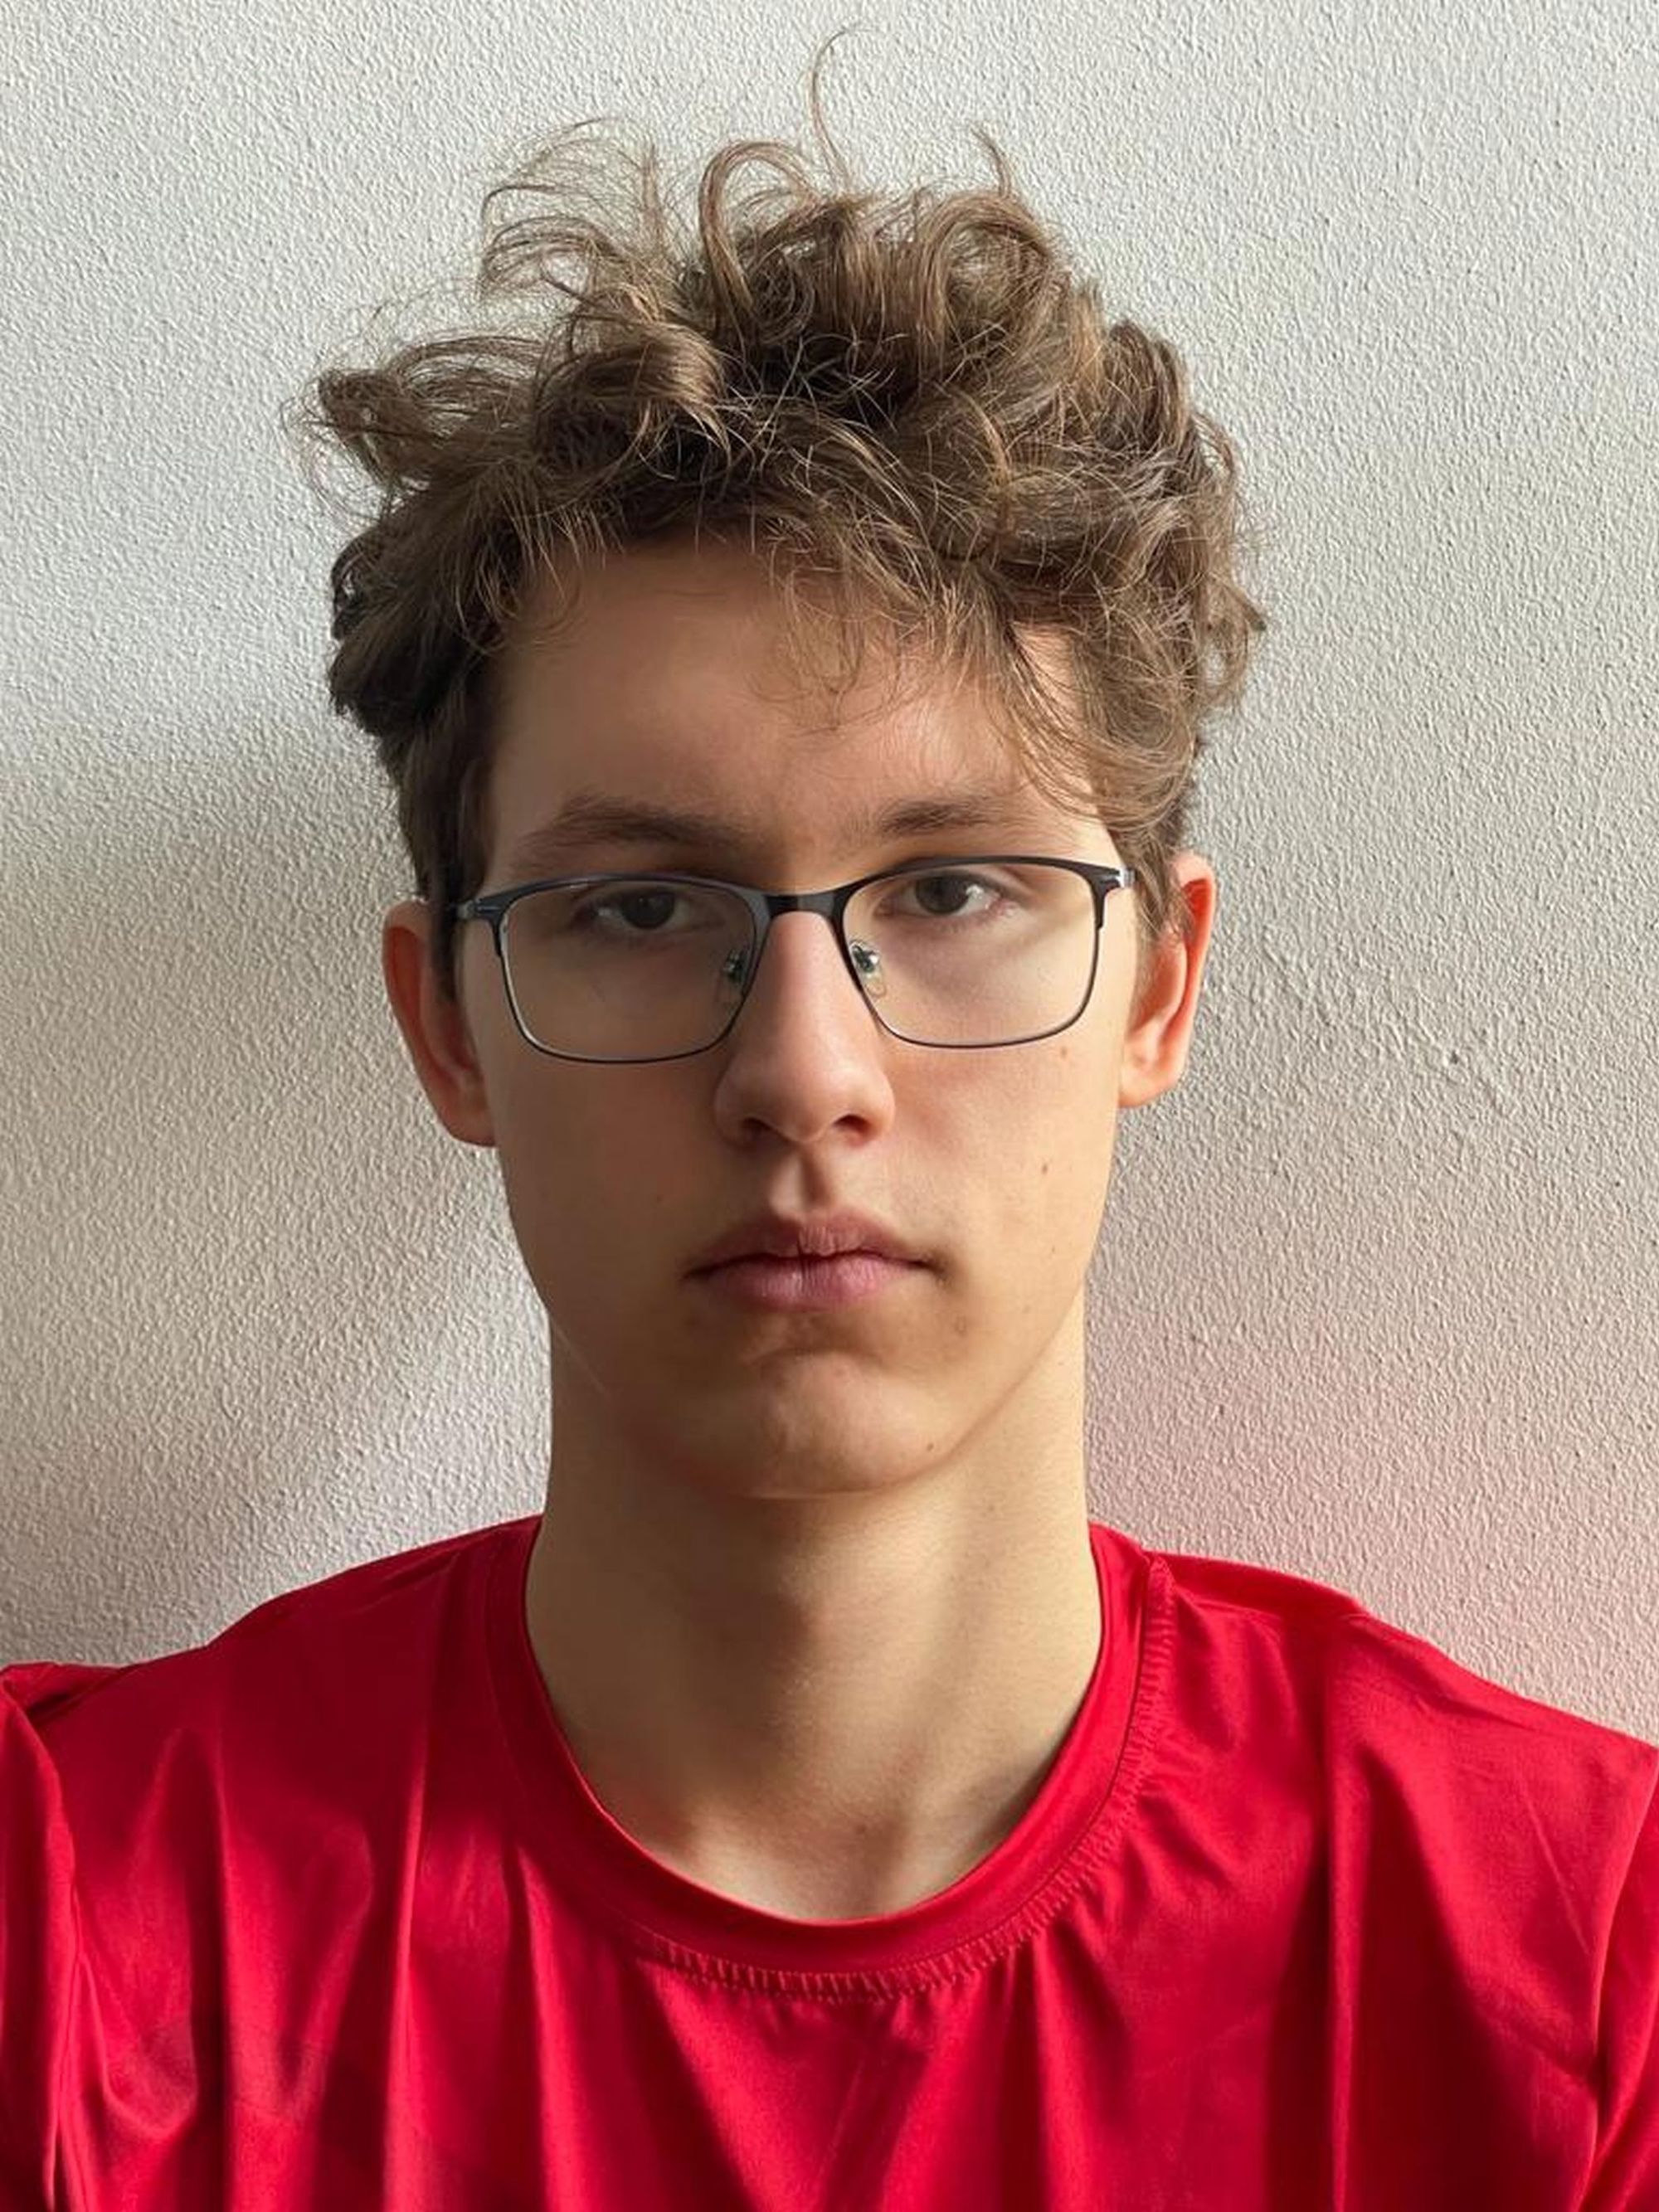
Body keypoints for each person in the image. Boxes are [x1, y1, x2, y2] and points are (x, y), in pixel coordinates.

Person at [3, 61, 1655, 2212]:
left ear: (1159, 984)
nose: (804, 1072)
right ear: (449, 1027)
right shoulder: (71, 1947)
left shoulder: (1583, 1979)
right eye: (639, 908)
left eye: (953, 889)